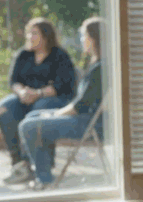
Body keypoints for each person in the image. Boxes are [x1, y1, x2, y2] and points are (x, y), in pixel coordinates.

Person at [17, 17, 107, 191]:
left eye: (83, 36)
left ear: (93, 38)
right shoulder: (97, 64)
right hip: (84, 118)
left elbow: (80, 106)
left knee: (28, 126)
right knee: (32, 116)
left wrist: (54, 114)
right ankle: (43, 172)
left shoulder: (99, 69)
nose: (82, 40)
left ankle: (44, 179)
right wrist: (50, 114)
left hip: (89, 124)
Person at [0, 18, 77, 185]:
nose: (29, 37)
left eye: (34, 33)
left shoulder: (60, 56)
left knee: (38, 108)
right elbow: (13, 81)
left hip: (54, 99)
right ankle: (19, 164)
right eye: (28, 33)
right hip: (26, 97)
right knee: (4, 109)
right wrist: (22, 92)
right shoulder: (23, 55)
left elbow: (63, 85)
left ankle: (35, 162)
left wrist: (38, 93)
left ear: (46, 36)